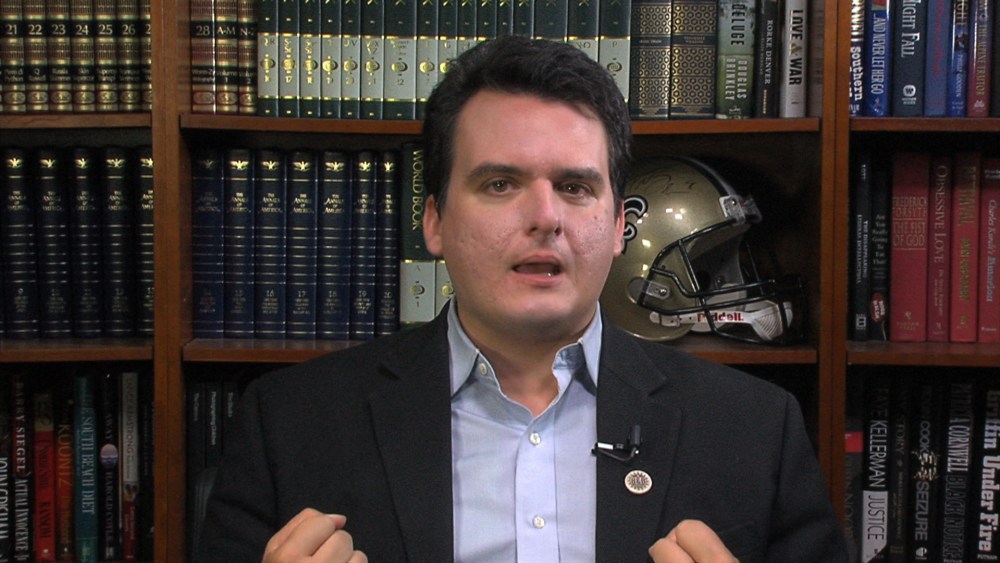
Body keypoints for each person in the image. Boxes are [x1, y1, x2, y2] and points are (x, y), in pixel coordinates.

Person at [198, 35, 848, 563]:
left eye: (575, 187)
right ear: (434, 223)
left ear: (617, 226)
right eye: (500, 184)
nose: (545, 217)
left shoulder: (756, 430)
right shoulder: (289, 426)